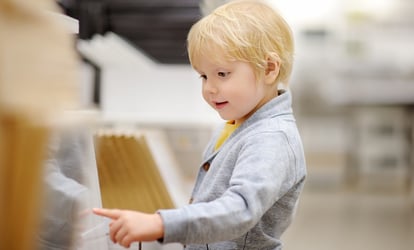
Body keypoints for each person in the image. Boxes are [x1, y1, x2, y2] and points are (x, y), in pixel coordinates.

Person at [93, 0, 306, 249]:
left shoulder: (271, 138)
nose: (209, 88)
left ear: (269, 69)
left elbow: (240, 209)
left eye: (222, 74)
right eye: (204, 76)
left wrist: (162, 224)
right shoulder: (237, 123)